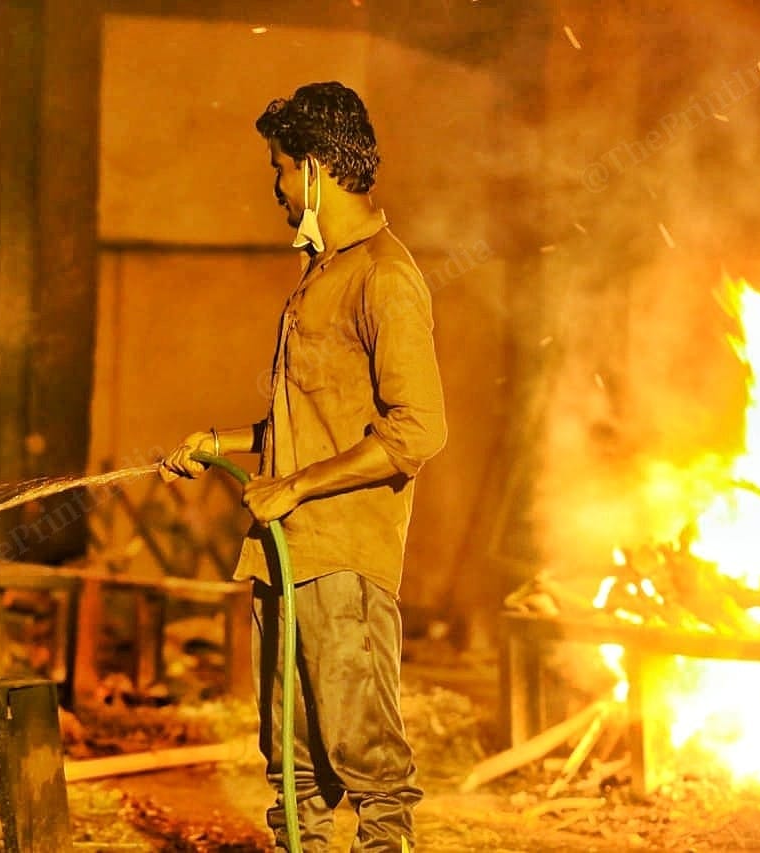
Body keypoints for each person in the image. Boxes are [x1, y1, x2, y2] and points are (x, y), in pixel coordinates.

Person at [161, 81, 447, 851]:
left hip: (343, 565)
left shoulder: (384, 279)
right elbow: (308, 427)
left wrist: (297, 485)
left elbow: (419, 430)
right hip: (288, 561)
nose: (277, 189)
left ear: (317, 170)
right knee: (291, 770)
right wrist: (219, 442)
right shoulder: (322, 277)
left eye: (282, 168)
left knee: (366, 765)